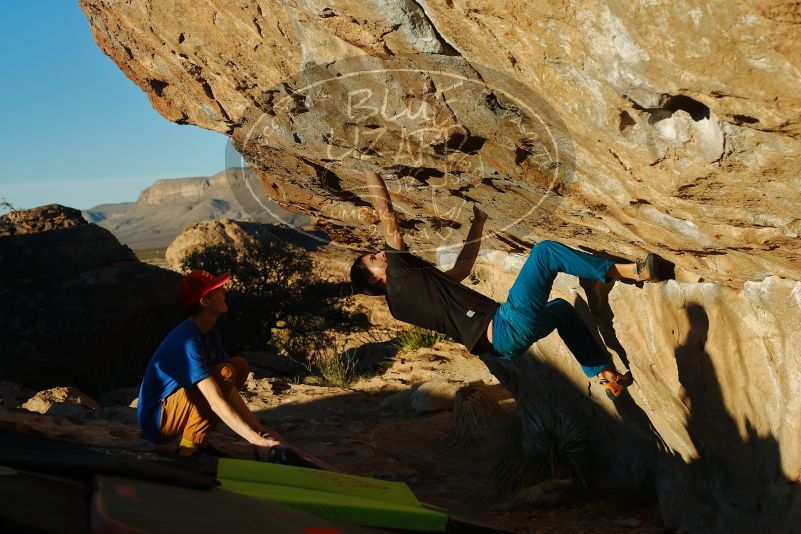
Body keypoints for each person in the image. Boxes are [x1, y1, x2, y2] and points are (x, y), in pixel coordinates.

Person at [350, 172, 662, 397]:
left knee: (562, 312)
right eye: (373, 258)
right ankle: (630, 271)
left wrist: (478, 223)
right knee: (545, 253)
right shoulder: (400, 271)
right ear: (377, 277)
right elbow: (385, 213)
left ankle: (606, 375)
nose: (379, 253)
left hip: (503, 346)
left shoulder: (401, 302)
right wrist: (367, 166)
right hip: (504, 326)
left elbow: (459, 271)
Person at [136, 269, 281, 455]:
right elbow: (215, 400)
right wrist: (256, 441)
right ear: (204, 301)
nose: (224, 292)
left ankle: (198, 442)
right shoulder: (187, 341)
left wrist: (258, 428)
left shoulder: (209, 331)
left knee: (238, 366)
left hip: (175, 406)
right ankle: (189, 449)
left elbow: (228, 389)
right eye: (219, 289)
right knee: (224, 373)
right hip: (158, 420)